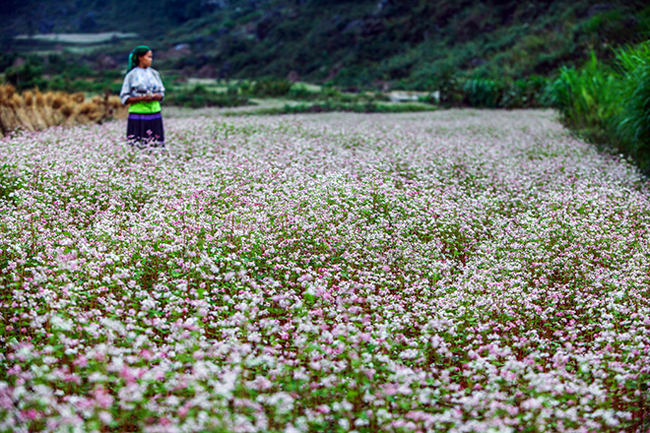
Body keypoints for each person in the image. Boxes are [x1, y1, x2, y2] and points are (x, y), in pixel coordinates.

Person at [120, 45, 165, 147]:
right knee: (138, 145)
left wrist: (154, 97)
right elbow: (125, 98)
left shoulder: (154, 73)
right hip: (138, 114)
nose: (151, 60)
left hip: (154, 113)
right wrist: (141, 99)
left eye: (151, 57)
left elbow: (161, 94)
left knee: (155, 144)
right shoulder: (131, 75)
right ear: (140, 57)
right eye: (148, 57)